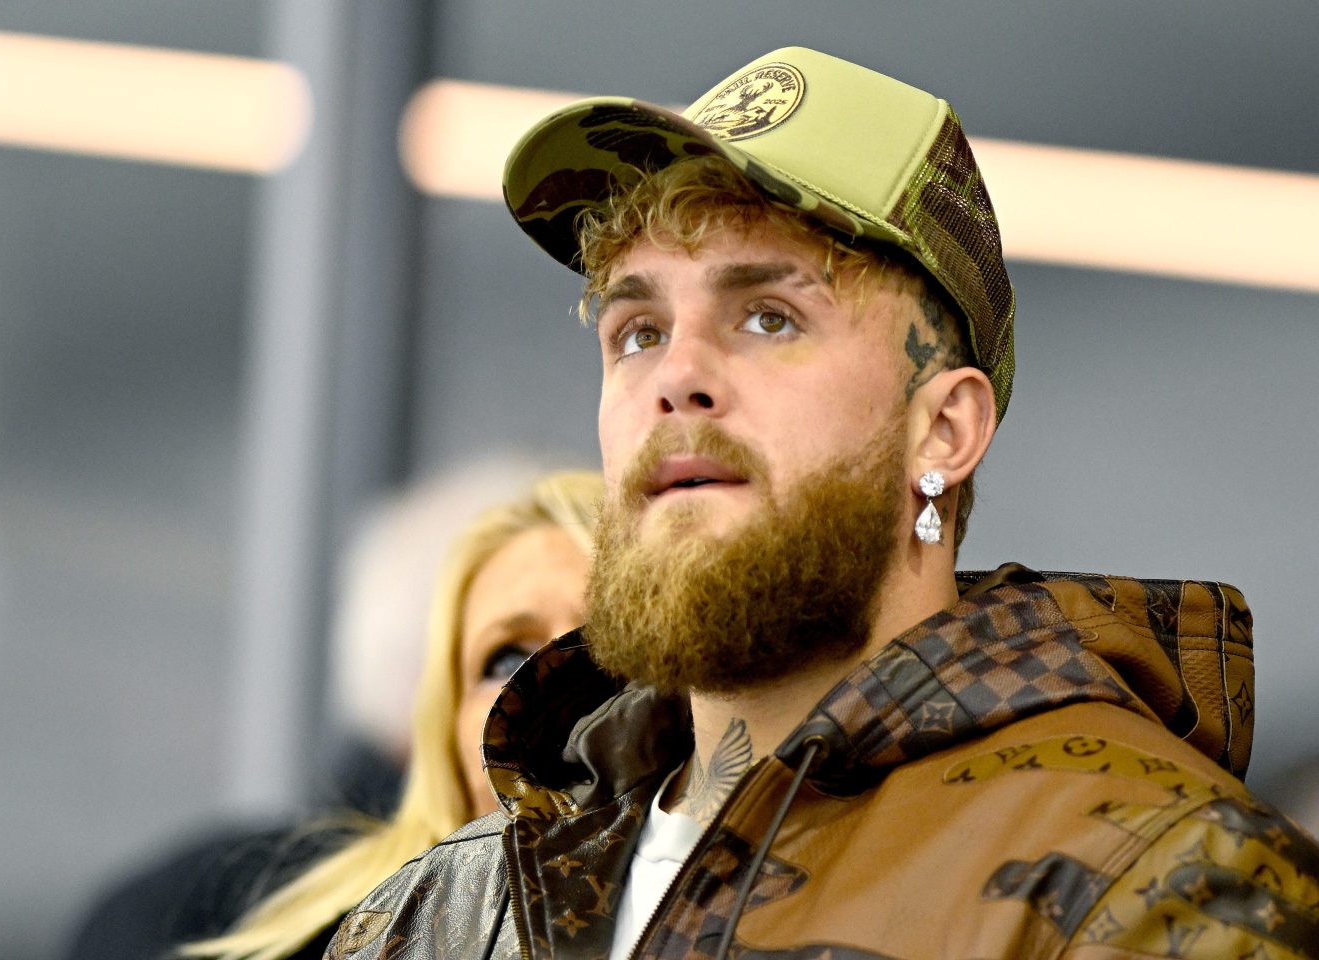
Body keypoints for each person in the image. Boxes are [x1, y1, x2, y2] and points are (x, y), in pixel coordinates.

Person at [324, 47, 1319, 959]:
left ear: (945, 431)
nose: (678, 376)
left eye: (769, 316)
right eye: (636, 329)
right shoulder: (441, 914)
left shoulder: (1159, 884)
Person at [68, 469, 603, 960]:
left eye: (608, 645)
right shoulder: (261, 922)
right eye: (505, 659)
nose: (551, 687)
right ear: (439, 733)